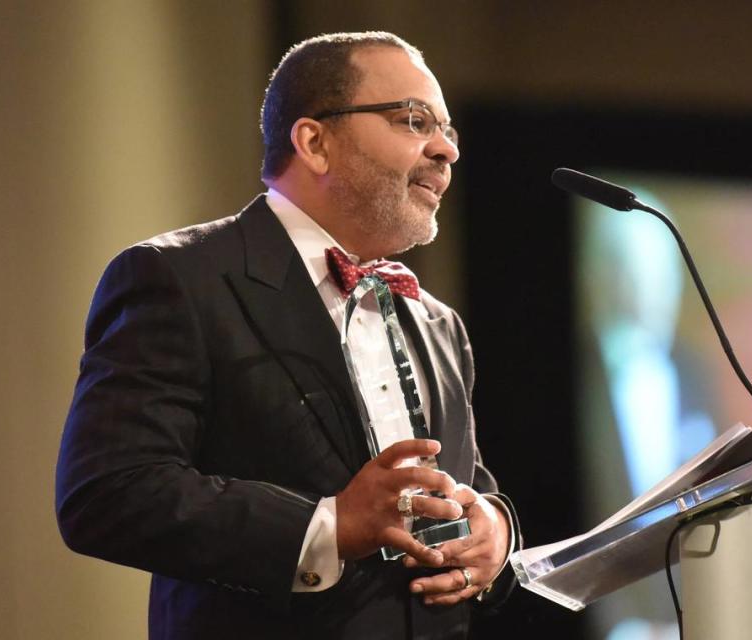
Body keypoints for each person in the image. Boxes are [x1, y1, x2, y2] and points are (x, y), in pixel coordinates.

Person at [55, 31, 518, 640]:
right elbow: (108, 494)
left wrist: (493, 530)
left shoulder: (436, 322)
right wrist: (328, 526)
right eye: (414, 120)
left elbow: (464, 479)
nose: (445, 151)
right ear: (314, 142)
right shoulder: (180, 279)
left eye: (448, 130)